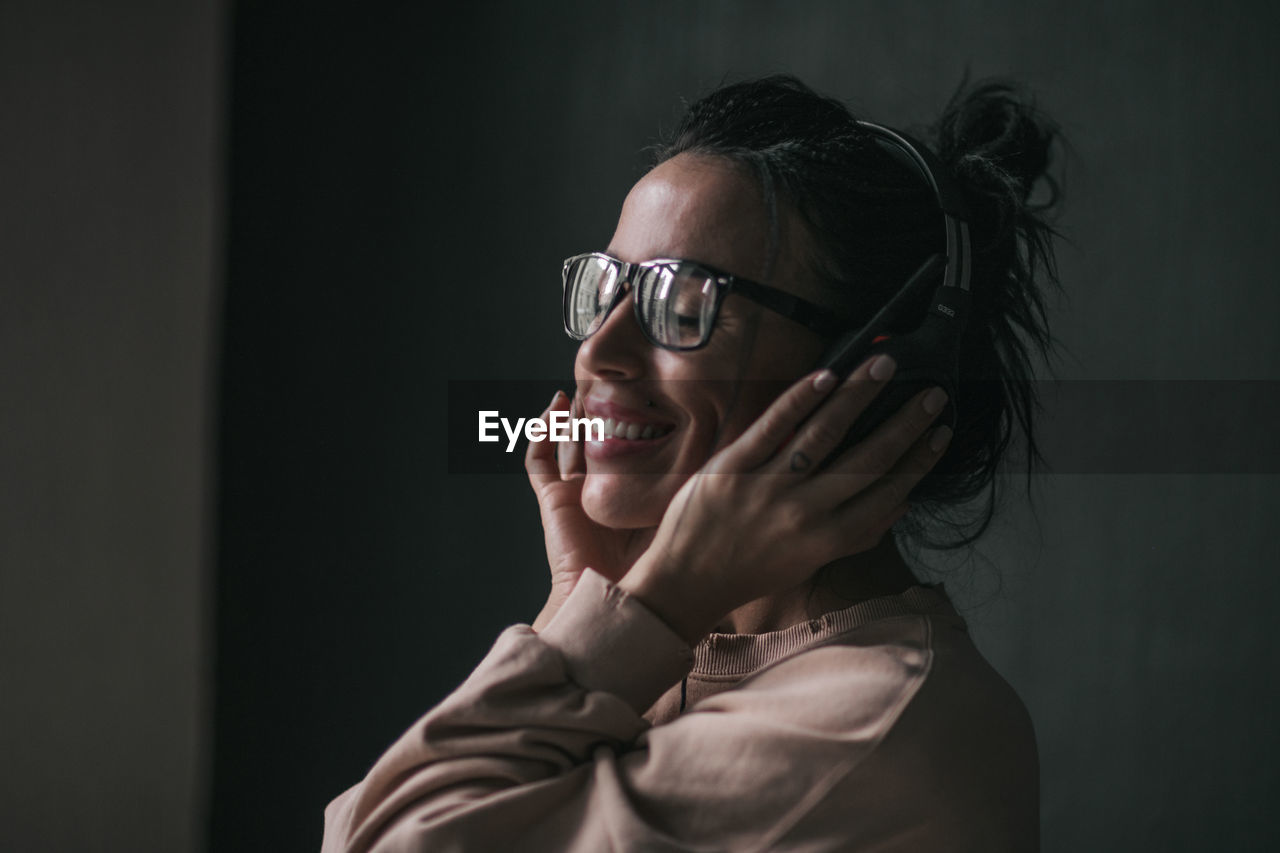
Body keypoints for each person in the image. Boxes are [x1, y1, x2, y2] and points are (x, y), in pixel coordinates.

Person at [321, 74, 1062, 851]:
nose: (598, 353)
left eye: (681, 301)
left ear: (865, 375)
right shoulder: (655, 662)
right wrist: (584, 604)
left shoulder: (874, 719)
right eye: (605, 289)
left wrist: (654, 603)